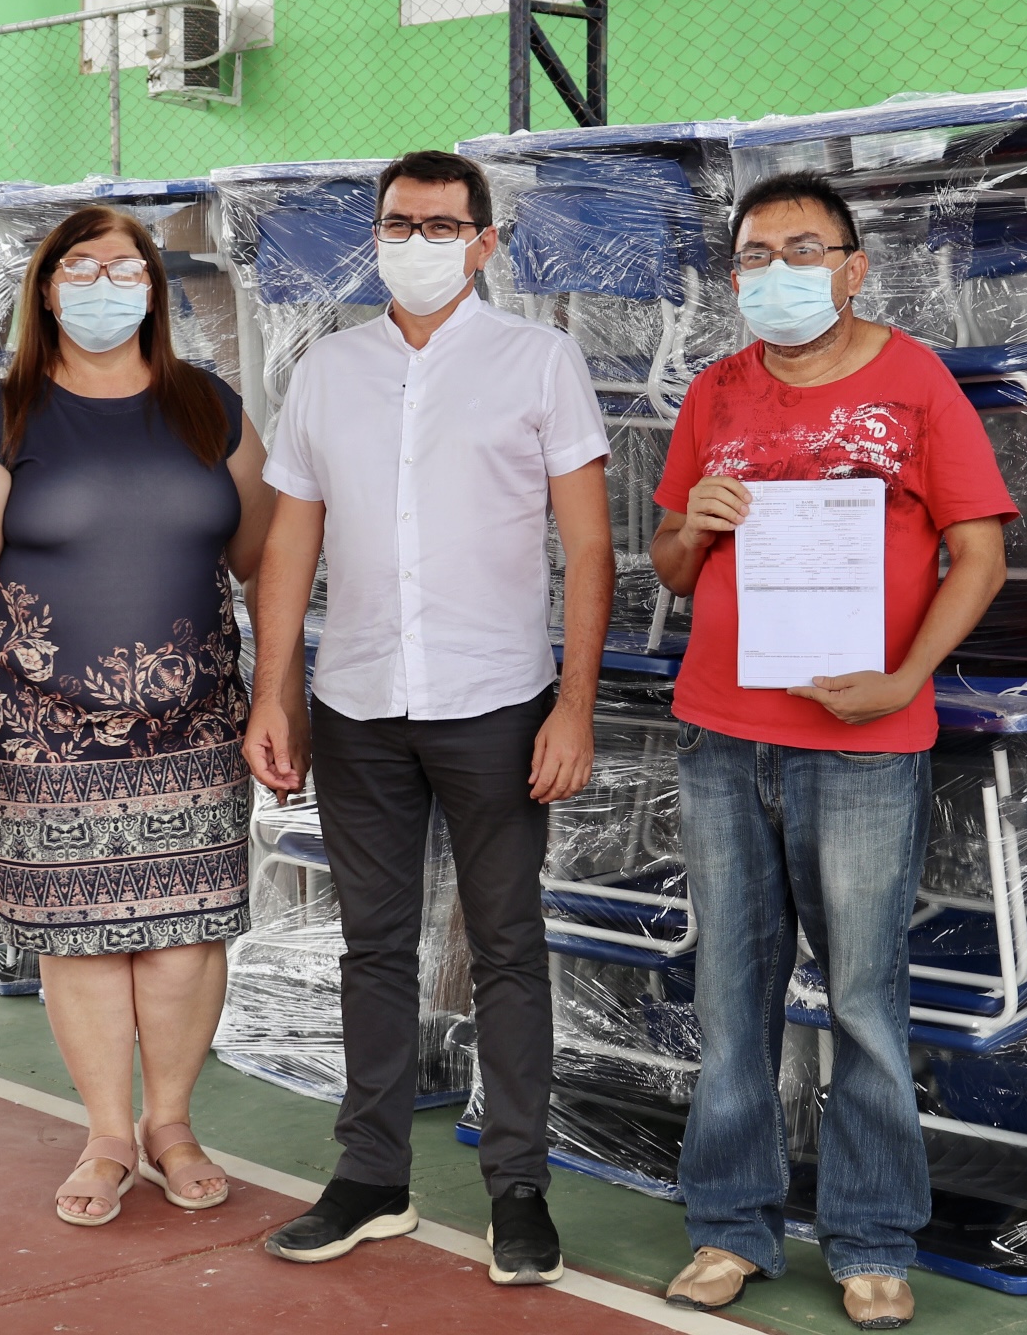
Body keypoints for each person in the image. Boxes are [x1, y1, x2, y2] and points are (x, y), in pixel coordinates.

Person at [649, 172, 1017, 1332]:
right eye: (756, 255)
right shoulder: (716, 391)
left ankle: (870, 1237)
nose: (779, 272)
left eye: (804, 249)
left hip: (862, 746)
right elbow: (670, 562)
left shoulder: (916, 383)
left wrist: (907, 678)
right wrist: (693, 524)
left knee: (862, 997)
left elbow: (980, 554)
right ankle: (730, 1224)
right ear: (734, 276)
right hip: (723, 737)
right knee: (731, 993)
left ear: (855, 267)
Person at [243, 149, 613, 1285]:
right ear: (376, 236)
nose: (417, 244)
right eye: (399, 224)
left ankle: (519, 1189)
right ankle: (371, 1178)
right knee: (373, 946)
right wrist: (275, 689)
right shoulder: (327, 371)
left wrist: (575, 707)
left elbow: (588, 544)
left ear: (484, 243)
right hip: (358, 704)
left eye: (442, 226)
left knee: (506, 945)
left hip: (496, 701)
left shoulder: (538, 362)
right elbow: (290, 540)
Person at [0, 204, 273, 1227]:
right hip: (42, 738)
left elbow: (268, 556)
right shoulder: (1, 416)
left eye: (125, 269)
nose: (103, 288)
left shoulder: (209, 409)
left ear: (154, 291)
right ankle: (108, 1135)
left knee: (185, 937)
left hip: (195, 733)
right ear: (45, 288)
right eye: (81, 268)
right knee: (81, 939)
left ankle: (171, 1126)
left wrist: (279, 692)